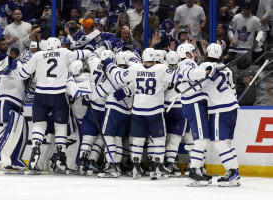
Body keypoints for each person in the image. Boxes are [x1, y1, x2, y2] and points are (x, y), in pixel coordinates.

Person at [19, 37, 90, 174]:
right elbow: (82, 53)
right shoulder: (64, 52)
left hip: (40, 95)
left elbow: (23, 74)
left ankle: (35, 149)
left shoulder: (38, 55)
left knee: (39, 125)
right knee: (61, 126)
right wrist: (92, 52)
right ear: (58, 45)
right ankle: (60, 155)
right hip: (58, 94)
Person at [102, 48, 176, 180]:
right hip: (155, 111)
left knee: (137, 140)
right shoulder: (162, 68)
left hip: (138, 111)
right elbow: (178, 76)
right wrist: (203, 74)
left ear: (143, 58)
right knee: (159, 139)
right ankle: (158, 167)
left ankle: (136, 167)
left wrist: (109, 64)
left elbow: (118, 76)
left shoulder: (135, 68)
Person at [202, 43, 240, 187]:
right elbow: (233, 90)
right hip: (233, 107)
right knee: (227, 142)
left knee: (219, 142)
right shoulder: (228, 70)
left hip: (220, 108)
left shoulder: (206, 67)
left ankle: (232, 171)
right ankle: (234, 174)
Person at [175, 43, 212, 186]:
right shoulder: (186, 62)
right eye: (192, 52)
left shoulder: (187, 63)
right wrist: (206, 73)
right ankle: (195, 170)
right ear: (187, 53)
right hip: (194, 104)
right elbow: (191, 74)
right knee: (201, 139)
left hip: (193, 104)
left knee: (202, 139)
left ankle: (199, 169)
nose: (194, 54)